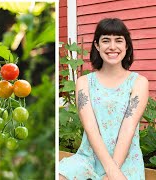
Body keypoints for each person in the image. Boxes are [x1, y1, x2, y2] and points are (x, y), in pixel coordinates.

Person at [59, 18, 149, 180]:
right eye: (106, 40)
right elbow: (91, 129)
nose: (112, 47)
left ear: (126, 45)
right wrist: (111, 172)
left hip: (126, 161)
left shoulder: (139, 83)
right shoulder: (84, 83)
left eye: (118, 40)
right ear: (97, 45)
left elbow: (128, 129)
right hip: (89, 159)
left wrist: (112, 173)